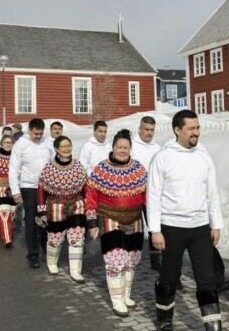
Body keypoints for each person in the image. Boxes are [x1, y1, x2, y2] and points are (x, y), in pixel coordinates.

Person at [148, 110, 224, 331]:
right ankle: (164, 318)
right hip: (172, 228)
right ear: (177, 130)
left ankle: (213, 325)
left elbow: (212, 192)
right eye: (191, 128)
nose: (196, 132)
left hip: (200, 227)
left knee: (206, 279)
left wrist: (215, 224)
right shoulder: (163, 157)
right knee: (169, 277)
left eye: (198, 127)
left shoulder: (203, 156)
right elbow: (153, 196)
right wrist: (155, 230)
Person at [86, 129, 148, 317]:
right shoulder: (101, 169)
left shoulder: (139, 169)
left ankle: (126, 294)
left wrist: (153, 223)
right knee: (115, 260)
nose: (122, 150)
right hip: (109, 219)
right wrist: (91, 222)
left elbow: (146, 197)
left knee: (131, 260)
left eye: (126, 147)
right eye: (119, 147)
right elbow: (91, 196)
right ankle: (117, 300)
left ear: (130, 148)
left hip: (135, 219)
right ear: (112, 148)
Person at [36, 135, 87, 280]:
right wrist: (41, 211)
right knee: (55, 238)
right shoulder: (49, 167)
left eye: (69, 145)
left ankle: (75, 271)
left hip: (77, 206)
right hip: (55, 207)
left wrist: (88, 205)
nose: (67, 148)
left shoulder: (78, 166)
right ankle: (52, 263)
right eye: (63, 146)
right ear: (57, 149)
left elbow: (85, 187)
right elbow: (41, 190)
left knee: (77, 237)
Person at [9, 118, 52, 268]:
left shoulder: (47, 142)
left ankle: (47, 247)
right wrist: (15, 191)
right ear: (29, 130)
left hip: (47, 188)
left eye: (40, 133)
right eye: (36, 134)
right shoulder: (21, 144)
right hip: (29, 188)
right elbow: (14, 169)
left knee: (47, 220)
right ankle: (33, 254)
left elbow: (54, 163)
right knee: (31, 221)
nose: (38, 136)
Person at [130, 116, 163, 271]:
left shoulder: (158, 147)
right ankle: (130, 255)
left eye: (152, 130)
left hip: (152, 194)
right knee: (134, 227)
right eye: (146, 129)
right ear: (139, 129)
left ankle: (155, 260)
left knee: (154, 226)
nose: (149, 133)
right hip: (134, 194)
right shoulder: (131, 146)